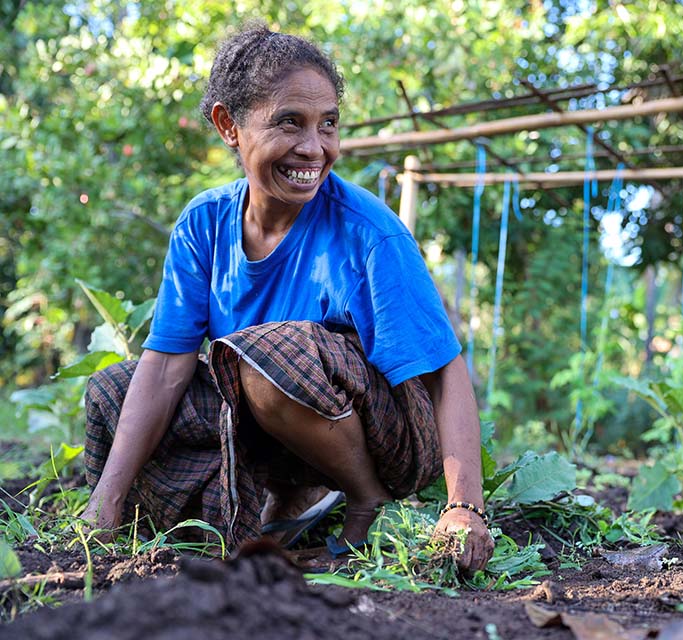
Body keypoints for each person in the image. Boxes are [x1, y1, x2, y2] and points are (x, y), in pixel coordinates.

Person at [80, 24, 493, 572]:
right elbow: (165, 369)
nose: (314, 147)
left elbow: (446, 373)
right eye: (289, 123)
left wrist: (465, 506)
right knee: (114, 390)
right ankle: (290, 496)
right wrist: (102, 506)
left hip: (389, 433)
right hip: (269, 429)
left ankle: (365, 498)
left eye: (328, 125)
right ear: (230, 125)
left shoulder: (368, 233)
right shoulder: (203, 224)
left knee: (263, 356)